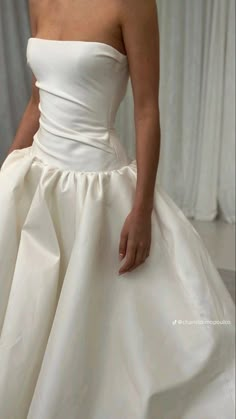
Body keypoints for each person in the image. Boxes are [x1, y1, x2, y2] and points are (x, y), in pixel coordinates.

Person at [0, 1, 235, 418]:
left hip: (96, 190)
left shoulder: (133, 3)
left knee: (94, 323)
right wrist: (7, 170)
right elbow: (37, 101)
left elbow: (147, 112)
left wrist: (141, 210)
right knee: (27, 309)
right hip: (37, 178)